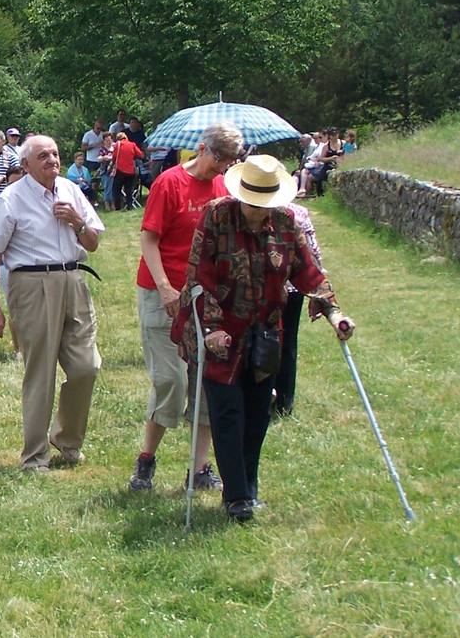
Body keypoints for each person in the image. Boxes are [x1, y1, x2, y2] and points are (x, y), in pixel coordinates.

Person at [172, 154, 355, 522]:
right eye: (254, 203)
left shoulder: (287, 221)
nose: (259, 211)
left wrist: (334, 312)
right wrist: (211, 330)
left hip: (265, 334)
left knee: (258, 415)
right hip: (218, 333)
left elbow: (308, 271)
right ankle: (236, 498)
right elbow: (199, 278)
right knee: (228, 414)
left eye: (265, 203)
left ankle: (248, 489)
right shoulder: (217, 215)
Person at [128, 122, 242, 494]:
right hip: (163, 293)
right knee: (170, 381)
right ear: (203, 148)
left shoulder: (222, 187)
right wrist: (163, 287)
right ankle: (147, 459)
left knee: (207, 382)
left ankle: (199, 469)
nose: (221, 169)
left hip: (205, 299)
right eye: (218, 160)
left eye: (228, 163)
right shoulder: (169, 183)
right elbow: (149, 238)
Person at [0, 136, 104, 472]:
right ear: (26, 165)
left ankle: (66, 438)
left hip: (73, 281)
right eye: (43, 155)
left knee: (86, 366)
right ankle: (35, 457)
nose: (52, 159)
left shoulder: (70, 190)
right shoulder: (10, 200)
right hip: (31, 285)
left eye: (55, 153)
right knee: (41, 372)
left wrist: (76, 221)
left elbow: (92, 243)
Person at [274, 203, 326, 418]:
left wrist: (319, 293)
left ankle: (280, 400)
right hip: (290, 288)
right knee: (287, 343)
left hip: (285, 287)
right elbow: (314, 254)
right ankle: (283, 403)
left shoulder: (297, 214)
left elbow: (311, 253)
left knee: (279, 343)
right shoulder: (300, 212)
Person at [112, 131, 145, 210]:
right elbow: (140, 155)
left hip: (120, 170)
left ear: (118, 139)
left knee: (116, 189)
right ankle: (129, 206)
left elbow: (114, 157)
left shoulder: (118, 144)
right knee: (129, 189)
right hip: (131, 171)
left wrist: (113, 164)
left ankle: (118, 207)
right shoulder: (132, 144)